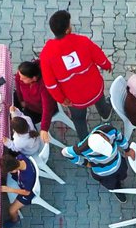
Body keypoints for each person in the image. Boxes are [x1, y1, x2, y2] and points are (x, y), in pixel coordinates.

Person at [39, 9, 112, 141]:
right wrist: (107, 65)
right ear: (67, 30)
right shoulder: (82, 41)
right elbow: (99, 56)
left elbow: (50, 84)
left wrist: (61, 99)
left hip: (74, 98)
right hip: (94, 88)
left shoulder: (46, 55)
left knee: (78, 118)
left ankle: (85, 142)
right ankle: (106, 116)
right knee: (101, 103)